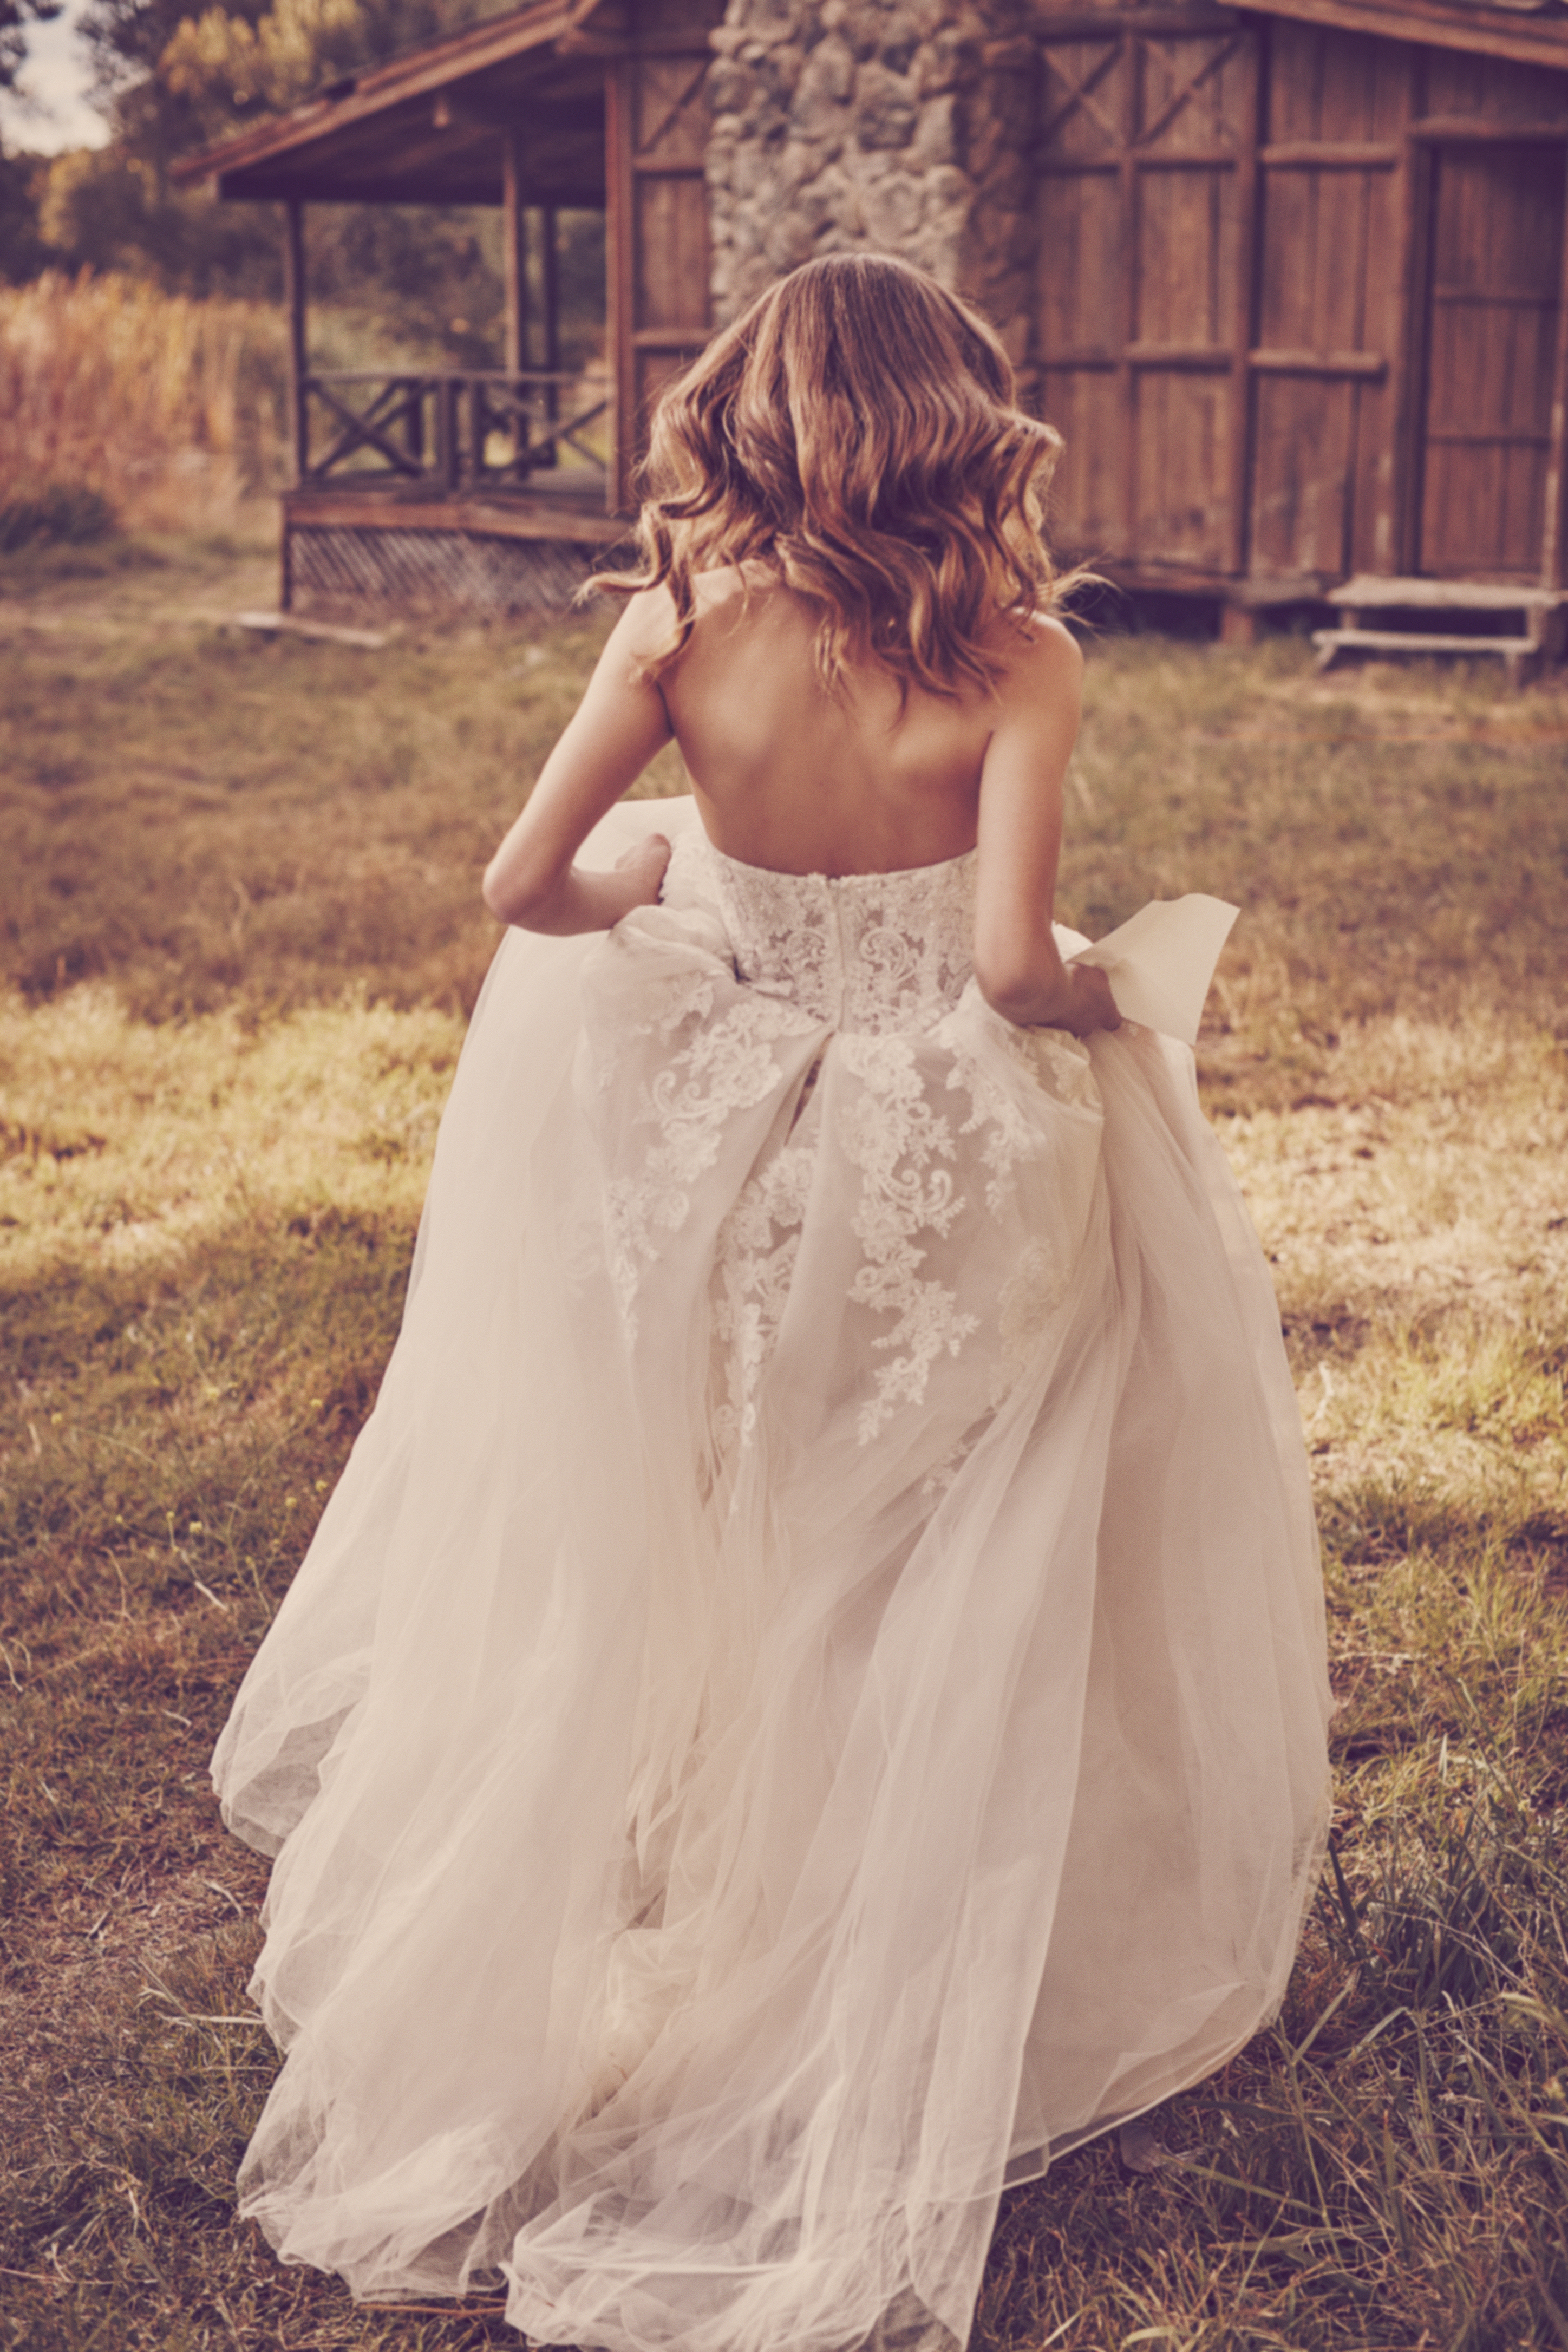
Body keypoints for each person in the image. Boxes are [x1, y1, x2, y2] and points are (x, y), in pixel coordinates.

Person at [212, 254, 1331, 2352]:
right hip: (936, 1183)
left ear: (745, 417)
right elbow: (1005, 969)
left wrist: (647, 876)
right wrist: (1123, 999)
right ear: (953, 427)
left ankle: (707, 1936)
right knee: (917, 1571)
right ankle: (855, 1991)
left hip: (716, 1156)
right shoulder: (1015, 659)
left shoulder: (675, 629)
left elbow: (519, 885)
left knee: (730, 1541)